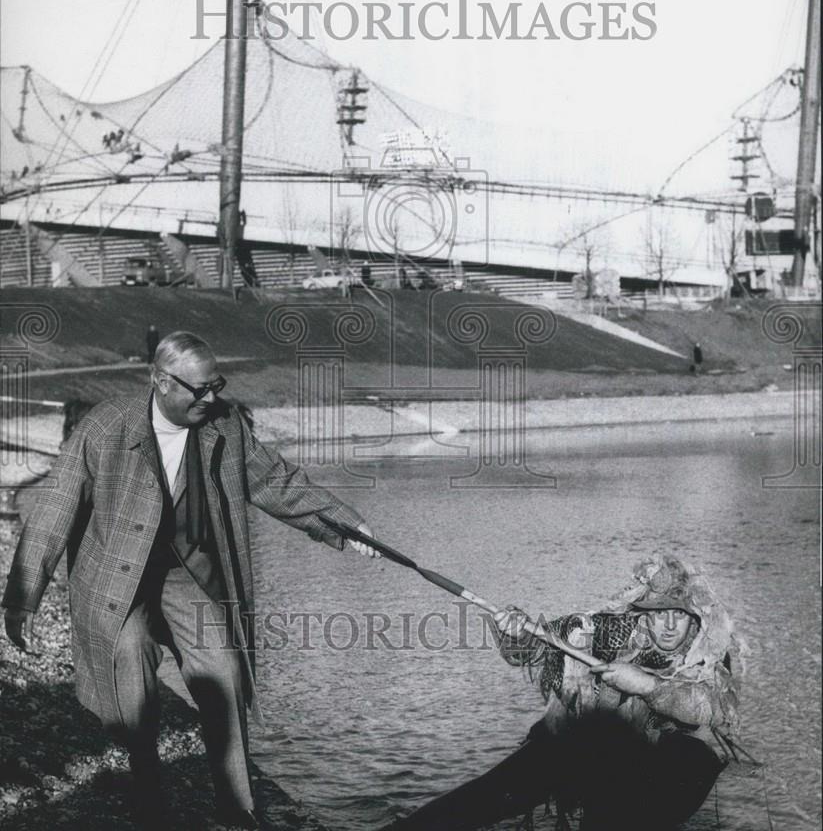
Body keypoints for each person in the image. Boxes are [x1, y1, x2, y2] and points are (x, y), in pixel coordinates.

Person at [3, 331, 378, 829]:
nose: (210, 398)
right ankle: (149, 801)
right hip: (118, 577)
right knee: (132, 675)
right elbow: (55, 510)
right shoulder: (105, 427)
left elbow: (277, 481)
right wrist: (22, 599)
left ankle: (238, 810)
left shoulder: (225, 427)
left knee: (223, 674)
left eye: (215, 386)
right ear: (159, 382)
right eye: (198, 389)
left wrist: (346, 525)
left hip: (188, 574)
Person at [383, 554, 741, 831]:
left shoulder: (711, 650)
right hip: (587, 749)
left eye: (679, 616)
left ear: (694, 617)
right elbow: (536, 649)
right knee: (489, 794)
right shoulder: (608, 629)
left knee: (654, 786)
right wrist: (516, 632)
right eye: (658, 614)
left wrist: (646, 685)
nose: (668, 625)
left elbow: (712, 710)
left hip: (663, 769)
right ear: (643, 615)